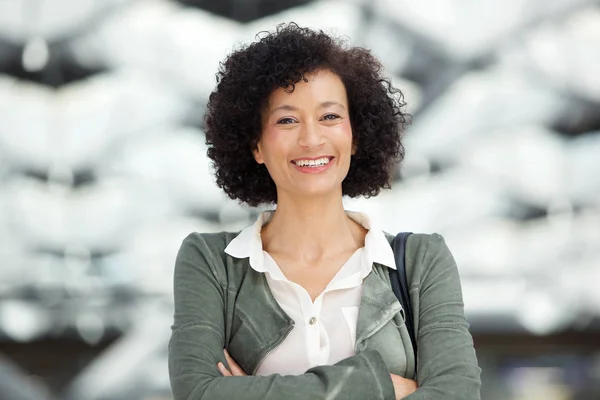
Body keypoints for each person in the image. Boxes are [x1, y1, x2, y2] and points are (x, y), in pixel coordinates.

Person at [168, 23, 481, 400]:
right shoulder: (211, 262)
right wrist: (378, 386)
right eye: (287, 120)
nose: (311, 138)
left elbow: (456, 394)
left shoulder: (422, 261)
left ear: (356, 136)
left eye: (330, 117)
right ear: (256, 145)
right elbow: (198, 393)